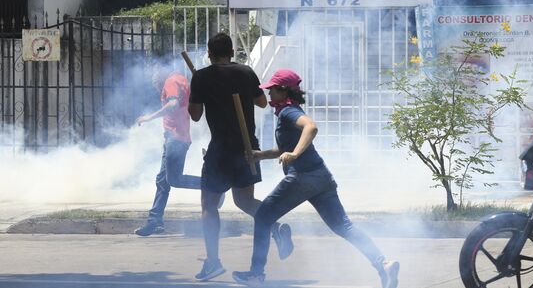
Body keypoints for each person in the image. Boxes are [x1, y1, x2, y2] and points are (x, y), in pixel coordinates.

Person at [232, 69, 400, 288]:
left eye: (272, 89)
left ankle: (256, 274)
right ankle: (383, 264)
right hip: (321, 177)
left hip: (302, 177)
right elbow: (284, 148)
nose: (269, 93)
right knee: (343, 226)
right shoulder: (288, 111)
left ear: (283, 91)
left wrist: (295, 154)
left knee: (263, 216)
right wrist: (260, 155)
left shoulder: (288, 112)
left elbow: (311, 127)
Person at [188, 33, 293, 281]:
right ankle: (276, 228)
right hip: (247, 146)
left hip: (220, 150)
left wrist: (198, 90)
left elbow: (194, 115)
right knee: (244, 201)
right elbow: (261, 103)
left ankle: (213, 262)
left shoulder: (202, 77)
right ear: (232, 52)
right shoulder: (246, 72)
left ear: (209, 53)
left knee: (209, 205)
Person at [134, 65, 223, 236]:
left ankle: (214, 186)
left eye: (154, 75)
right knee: (162, 181)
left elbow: (173, 104)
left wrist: (148, 118)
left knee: (174, 179)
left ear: (161, 73)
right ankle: (155, 221)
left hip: (175, 139)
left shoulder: (171, 81)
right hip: (177, 138)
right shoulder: (181, 80)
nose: (153, 80)